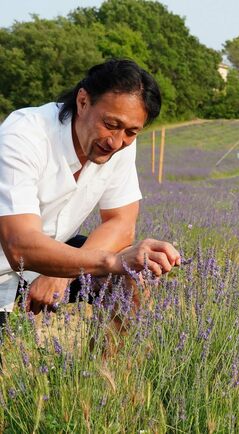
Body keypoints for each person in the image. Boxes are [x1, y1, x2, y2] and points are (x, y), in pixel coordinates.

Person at [0, 59, 181, 327]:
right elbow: (20, 247)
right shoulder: (24, 136)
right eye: (110, 124)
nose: (116, 142)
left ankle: (106, 370)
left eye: (131, 132)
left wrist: (66, 272)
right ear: (83, 101)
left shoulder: (118, 144)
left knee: (129, 276)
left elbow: (121, 223)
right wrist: (108, 261)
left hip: (44, 260)